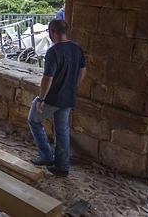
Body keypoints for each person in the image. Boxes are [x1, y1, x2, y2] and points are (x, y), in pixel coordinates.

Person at [28, 19, 86, 177]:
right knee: (62, 131)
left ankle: (46, 156)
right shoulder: (77, 48)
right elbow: (82, 71)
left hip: (53, 97)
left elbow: (47, 78)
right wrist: (73, 87)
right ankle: (62, 166)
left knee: (34, 119)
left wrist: (41, 99)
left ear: (53, 31)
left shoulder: (53, 51)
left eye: (49, 32)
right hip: (68, 97)